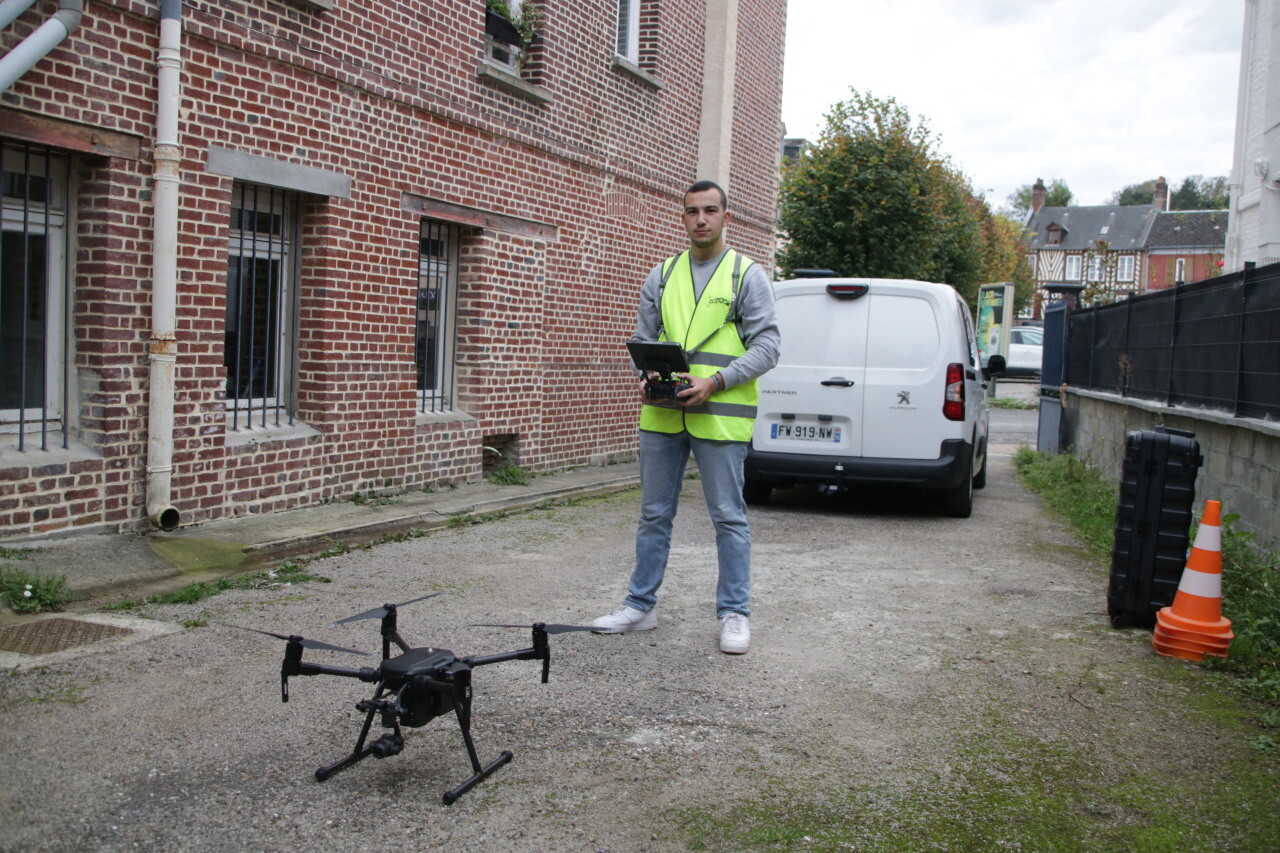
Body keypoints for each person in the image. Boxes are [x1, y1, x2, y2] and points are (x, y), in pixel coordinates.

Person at [593, 180, 779, 654]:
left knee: (728, 518)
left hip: (719, 416)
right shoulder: (662, 274)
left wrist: (714, 382)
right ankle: (640, 606)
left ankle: (735, 613)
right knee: (654, 515)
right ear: (683, 217)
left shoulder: (745, 275)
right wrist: (644, 372)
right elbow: (643, 338)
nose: (701, 219)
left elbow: (768, 347)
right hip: (662, 413)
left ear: (725, 217)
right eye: (693, 211)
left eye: (710, 211)